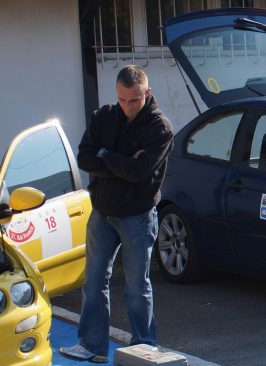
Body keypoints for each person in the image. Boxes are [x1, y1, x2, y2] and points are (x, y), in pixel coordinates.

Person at [60, 65, 174, 363]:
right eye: (122, 100)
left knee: (137, 288)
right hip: (102, 213)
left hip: (137, 216)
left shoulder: (159, 127)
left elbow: (138, 172)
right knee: (94, 284)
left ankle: (143, 347)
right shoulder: (103, 116)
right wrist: (118, 162)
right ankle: (92, 346)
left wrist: (106, 156)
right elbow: (85, 157)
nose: (127, 107)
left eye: (134, 100)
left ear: (147, 93)